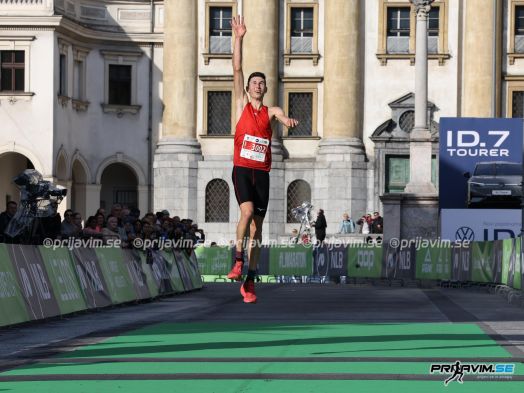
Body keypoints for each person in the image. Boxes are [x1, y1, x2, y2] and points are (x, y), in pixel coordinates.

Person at [226, 15, 299, 304]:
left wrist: (287, 120)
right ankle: (238, 260)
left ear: (266, 89)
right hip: (243, 168)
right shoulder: (241, 103)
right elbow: (237, 67)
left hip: (263, 173)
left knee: (258, 228)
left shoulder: (270, 110)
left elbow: (280, 115)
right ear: (247, 88)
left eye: (262, 83)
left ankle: (251, 280)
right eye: (254, 82)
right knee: (245, 215)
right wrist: (239, 37)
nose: (257, 85)